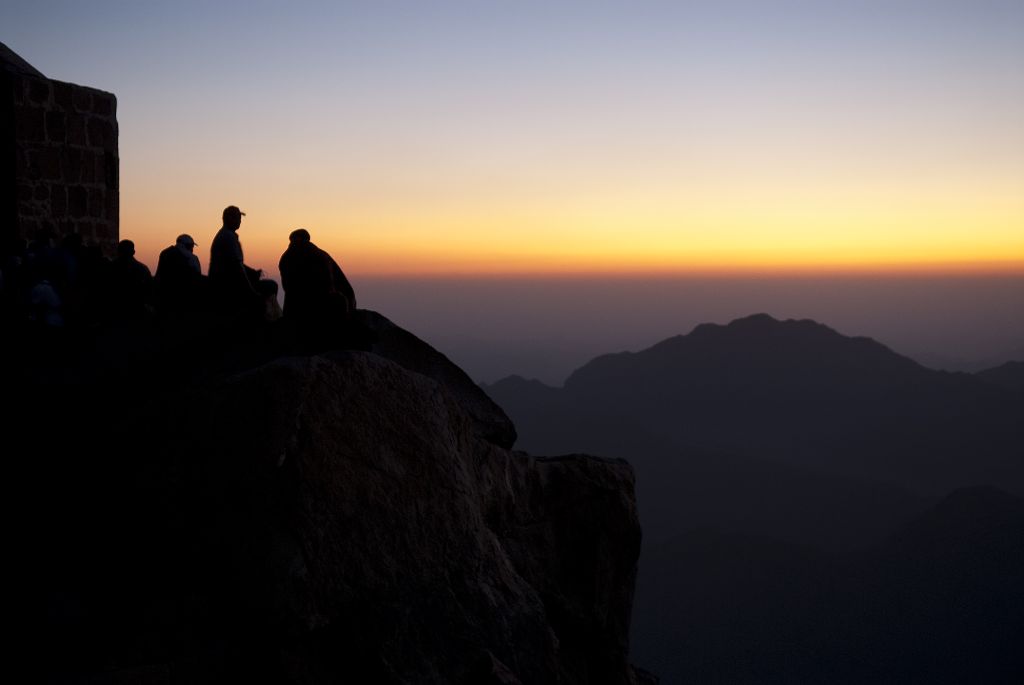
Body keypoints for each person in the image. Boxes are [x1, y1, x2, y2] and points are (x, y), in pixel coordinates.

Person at [279, 228, 358, 346]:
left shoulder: (287, 258)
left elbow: (288, 289)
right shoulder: (320, 255)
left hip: (299, 311)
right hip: (318, 310)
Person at [208, 205, 262, 315]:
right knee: (269, 287)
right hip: (227, 286)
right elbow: (236, 266)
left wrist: (251, 272)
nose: (240, 221)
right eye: (237, 218)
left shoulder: (225, 235)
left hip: (223, 284)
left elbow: (235, 263)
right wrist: (251, 291)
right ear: (228, 219)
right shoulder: (228, 237)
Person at [155, 234, 204, 315]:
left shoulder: (165, 253)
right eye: (192, 246)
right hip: (183, 300)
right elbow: (197, 278)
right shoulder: (191, 258)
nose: (192, 249)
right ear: (188, 246)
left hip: (164, 298)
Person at [108, 239, 154, 320]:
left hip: (115, 313)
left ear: (118, 251)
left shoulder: (110, 268)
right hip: (136, 313)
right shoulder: (142, 269)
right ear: (133, 252)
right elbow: (150, 292)